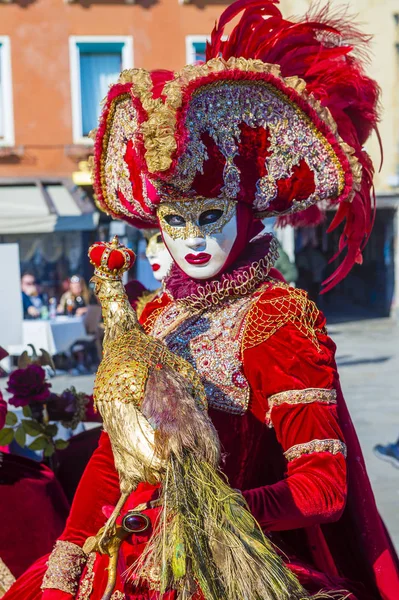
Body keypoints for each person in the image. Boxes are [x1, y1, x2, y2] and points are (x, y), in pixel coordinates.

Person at [5, 1, 399, 599]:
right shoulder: (158, 315)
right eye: (174, 219)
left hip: (227, 569)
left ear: (246, 214)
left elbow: (322, 487)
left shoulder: (275, 318)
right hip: (127, 557)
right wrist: (65, 561)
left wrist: (206, 513)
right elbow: (117, 456)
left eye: (210, 217)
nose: (191, 238)